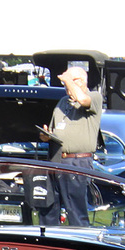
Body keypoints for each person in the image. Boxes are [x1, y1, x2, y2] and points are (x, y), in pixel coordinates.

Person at [45, 64, 101, 227]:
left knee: (76, 211)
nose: (66, 86)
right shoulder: (62, 102)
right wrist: (46, 135)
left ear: (82, 81)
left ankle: (81, 243)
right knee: (51, 208)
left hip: (78, 162)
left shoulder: (94, 97)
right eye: (65, 83)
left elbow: (82, 100)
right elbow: (55, 129)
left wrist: (69, 79)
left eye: (70, 82)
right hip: (57, 159)